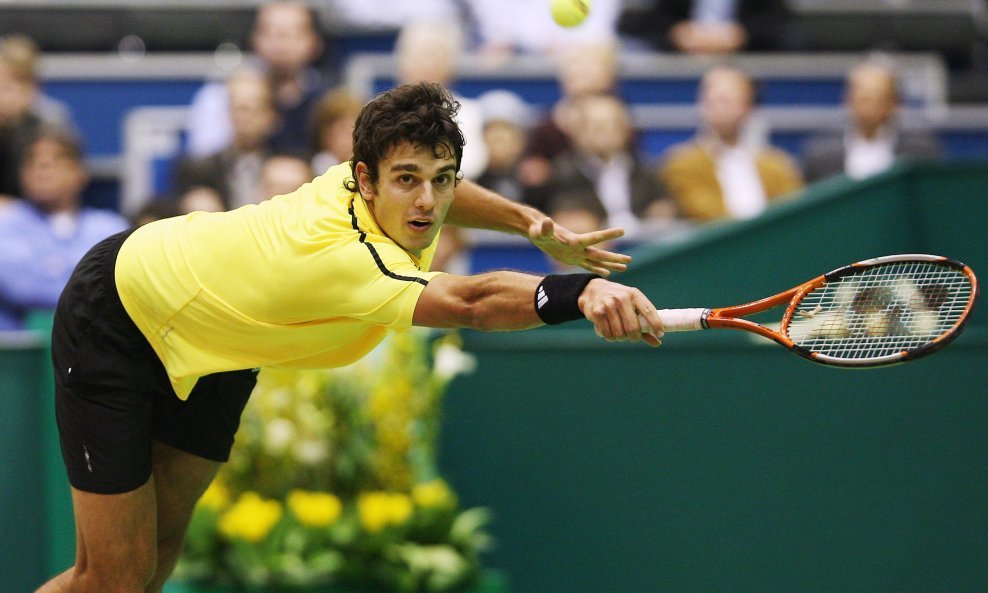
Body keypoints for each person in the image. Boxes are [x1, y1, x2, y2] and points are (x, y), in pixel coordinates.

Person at [35, 82, 665, 593]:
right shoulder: (349, 259)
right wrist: (579, 293)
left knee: (157, 560)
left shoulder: (370, 184)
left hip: (224, 341)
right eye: (406, 179)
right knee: (112, 580)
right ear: (364, 179)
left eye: (441, 178)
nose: (427, 200)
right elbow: (470, 302)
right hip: (122, 313)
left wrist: (528, 221)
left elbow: (439, 190)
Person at [0, 128, 129, 330]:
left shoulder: (110, 227)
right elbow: (21, 288)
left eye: (57, 159)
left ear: (80, 173)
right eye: (32, 161)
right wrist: (82, 280)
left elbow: (122, 287)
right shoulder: (6, 222)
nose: (43, 168)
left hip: (93, 346)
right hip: (21, 350)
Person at [658, 65, 804, 222]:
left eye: (728, 101)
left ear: (748, 106)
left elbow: (793, 209)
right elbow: (699, 210)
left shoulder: (777, 165)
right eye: (712, 100)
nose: (719, 108)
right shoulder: (682, 163)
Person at [184, 0, 326, 157]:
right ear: (254, 39)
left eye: (292, 33)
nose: (281, 43)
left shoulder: (326, 101)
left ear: (315, 42)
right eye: (270, 32)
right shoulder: (221, 95)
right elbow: (202, 164)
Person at [538, 93, 674, 238]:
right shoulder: (561, 174)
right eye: (598, 126)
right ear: (577, 131)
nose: (606, 133)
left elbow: (662, 208)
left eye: (613, 125)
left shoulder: (646, 171)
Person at [801, 59, 944, 183]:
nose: (868, 107)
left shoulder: (920, 153)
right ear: (848, 101)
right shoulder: (820, 154)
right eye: (863, 98)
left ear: (894, 104)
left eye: (877, 98)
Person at [173, 69, 279, 209]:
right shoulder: (199, 170)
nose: (244, 116)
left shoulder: (287, 167)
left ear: (272, 115)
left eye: (254, 106)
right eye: (237, 106)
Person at [617, 0, 793, 55]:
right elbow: (654, 21)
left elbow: (777, 20)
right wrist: (678, 33)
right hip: (682, 61)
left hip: (746, 59)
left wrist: (742, 34)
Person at [308, 87, 363, 175]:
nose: (350, 138)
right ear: (325, 134)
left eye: (356, 131)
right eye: (343, 130)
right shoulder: (309, 173)